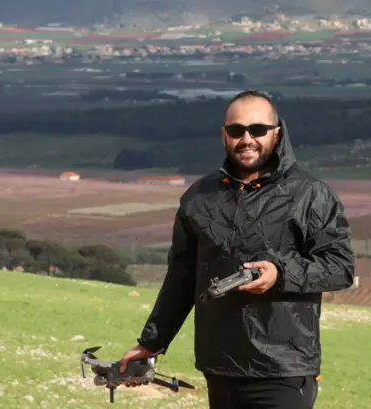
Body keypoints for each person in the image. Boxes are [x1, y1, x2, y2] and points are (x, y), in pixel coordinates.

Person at [119, 89, 356, 409]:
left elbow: (339, 267)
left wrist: (280, 274)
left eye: (257, 129)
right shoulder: (199, 198)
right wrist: (151, 343)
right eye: (236, 130)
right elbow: (182, 278)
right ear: (224, 135)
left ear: (277, 133)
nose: (247, 138)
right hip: (220, 368)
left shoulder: (311, 194)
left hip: (283, 371)